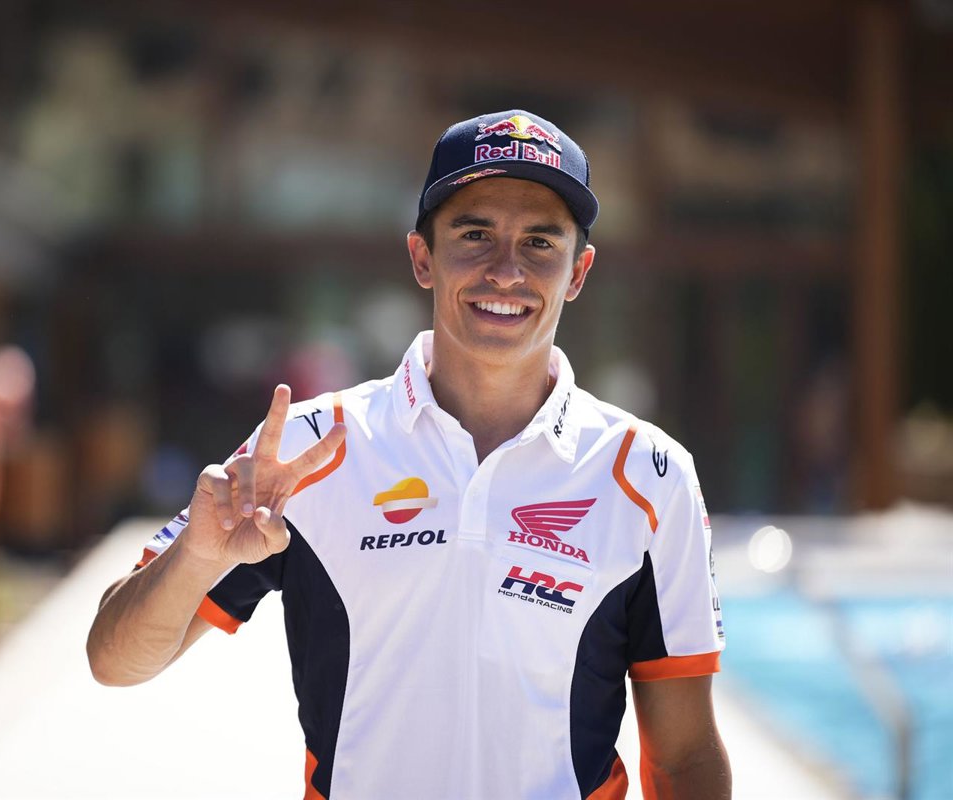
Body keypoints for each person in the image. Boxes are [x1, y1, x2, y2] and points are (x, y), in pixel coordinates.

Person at [87, 109, 731, 800]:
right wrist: (197, 557)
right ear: (423, 257)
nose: (506, 271)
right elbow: (115, 661)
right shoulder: (309, 449)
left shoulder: (649, 475)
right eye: (475, 235)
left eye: (540, 242)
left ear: (578, 271)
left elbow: (685, 756)